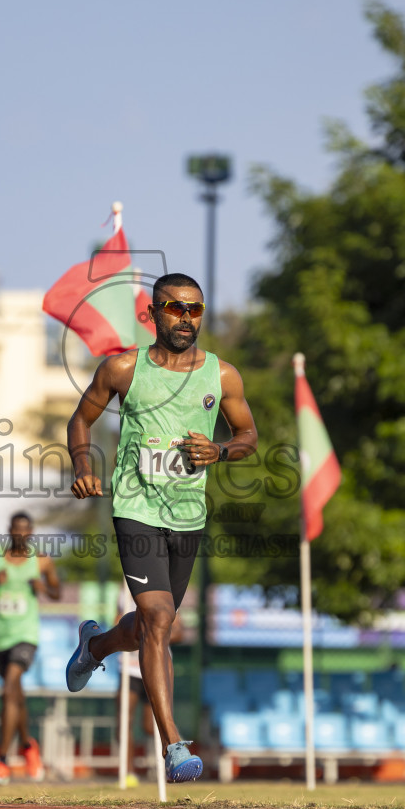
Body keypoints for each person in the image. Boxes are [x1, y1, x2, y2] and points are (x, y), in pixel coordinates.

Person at [65, 273, 257, 783]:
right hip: (136, 508)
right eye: (175, 309)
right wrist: (83, 466)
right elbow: (79, 421)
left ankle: (97, 645)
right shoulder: (124, 370)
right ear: (153, 313)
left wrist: (218, 450)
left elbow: (248, 437)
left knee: (156, 624)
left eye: (195, 310)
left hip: (187, 516)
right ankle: (174, 745)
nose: (186, 319)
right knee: (158, 616)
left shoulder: (224, 376)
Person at [0, 510, 61, 785]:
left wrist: (43, 588)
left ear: (31, 533)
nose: (20, 534)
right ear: (9, 531)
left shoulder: (41, 562)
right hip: (0, 636)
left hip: (26, 635)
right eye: (16, 529)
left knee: (10, 688)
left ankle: (2, 762)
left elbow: (58, 593)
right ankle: (28, 745)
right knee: (15, 696)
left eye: (25, 530)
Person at [115, 590, 184, 787]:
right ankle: (128, 773)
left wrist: (153, 637)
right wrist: (129, 630)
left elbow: (179, 631)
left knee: (151, 725)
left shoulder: (163, 593)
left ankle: (176, 752)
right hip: (128, 668)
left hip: (156, 670)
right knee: (123, 720)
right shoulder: (124, 595)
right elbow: (116, 624)